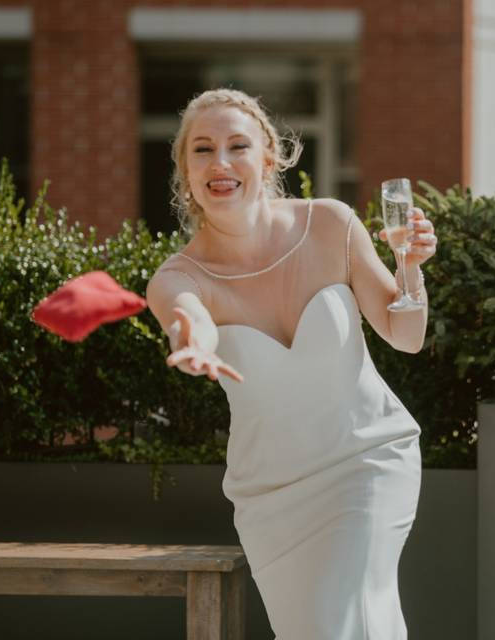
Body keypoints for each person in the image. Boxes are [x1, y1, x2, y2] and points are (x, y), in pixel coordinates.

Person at [145, 88, 438, 640]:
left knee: (344, 617)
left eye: (237, 145)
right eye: (203, 150)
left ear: (269, 157)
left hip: (367, 459)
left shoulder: (331, 225)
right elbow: (187, 314)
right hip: (272, 497)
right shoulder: (178, 277)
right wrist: (191, 339)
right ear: (185, 170)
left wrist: (412, 270)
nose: (221, 163)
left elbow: (405, 336)